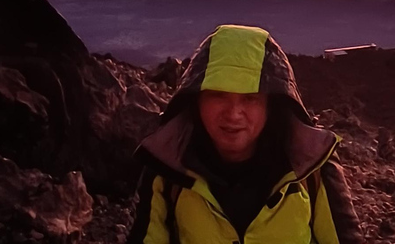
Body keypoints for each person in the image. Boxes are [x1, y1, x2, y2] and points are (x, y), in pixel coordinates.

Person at [127, 24, 363, 244]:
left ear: (272, 106)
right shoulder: (167, 167)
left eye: (250, 99)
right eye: (218, 95)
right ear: (196, 100)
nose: (233, 114)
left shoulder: (312, 166)